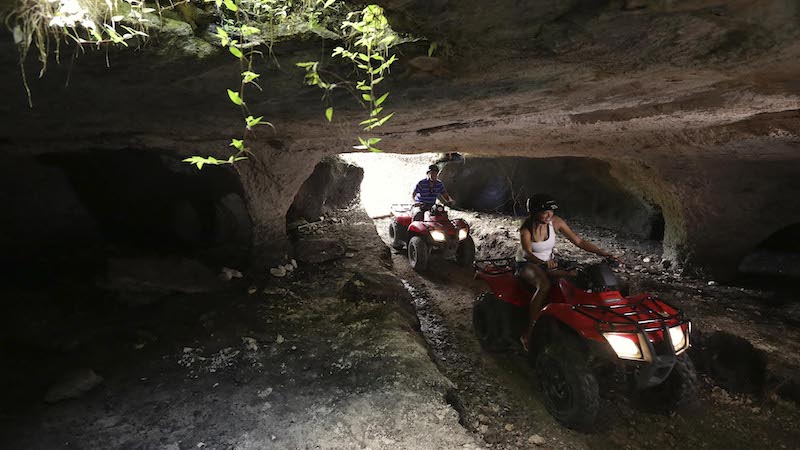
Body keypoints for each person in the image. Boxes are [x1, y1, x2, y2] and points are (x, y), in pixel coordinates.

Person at [516, 193, 620, 350]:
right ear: (535, 212)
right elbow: (526, 253)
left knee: (578, 276)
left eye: (551, 211)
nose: (549, 215)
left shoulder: (556, 222)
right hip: (528, 263)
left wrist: (603, 253)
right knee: (543, 285)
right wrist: (542, 262)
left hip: (549, 262)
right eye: (545, 212)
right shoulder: (526, 228)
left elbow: (579, 241)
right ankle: (529, 331)